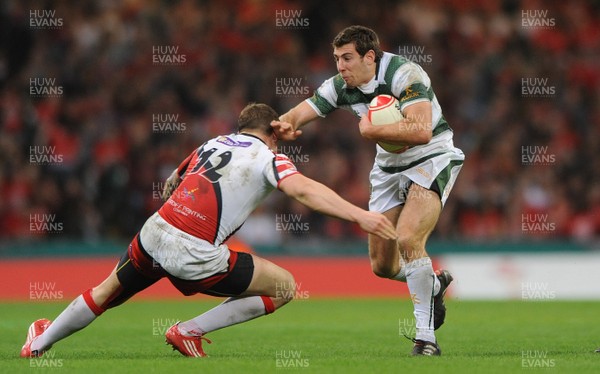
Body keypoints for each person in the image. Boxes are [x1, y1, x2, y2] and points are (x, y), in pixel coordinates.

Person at [20, 103, 397, 358]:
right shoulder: (269, 157)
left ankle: (40, 341)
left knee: (107, 293)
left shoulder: (213, 142)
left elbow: (174, 177)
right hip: (194, 251)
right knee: (284, 286)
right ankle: (188, 330)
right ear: (272, 134)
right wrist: (359, 216)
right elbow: (304, 190)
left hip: (156, 230)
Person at [271, 25, 465, 356]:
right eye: (336, 59)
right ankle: (432, 284)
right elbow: (302, 111)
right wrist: (284, 125)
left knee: (408, 238)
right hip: (388, 169)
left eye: (347, 58)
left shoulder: (405, 74)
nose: (340, 66)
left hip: (431, 157)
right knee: (383, 266)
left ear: (369, 57)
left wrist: (372, 128)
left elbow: (420, 131)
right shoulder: (340, 86)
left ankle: (425, 338)